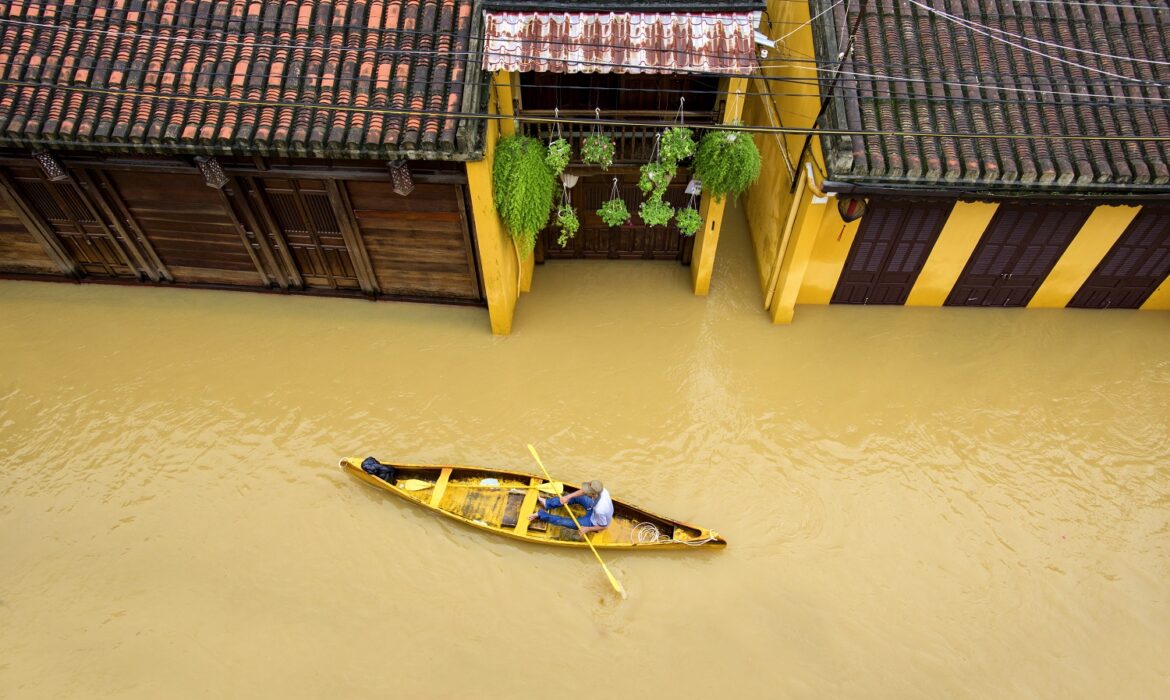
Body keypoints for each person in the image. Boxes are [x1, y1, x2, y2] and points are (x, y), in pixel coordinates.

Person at [528, 480, 613, 533]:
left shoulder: (600, 509)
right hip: (592, 507)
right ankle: (547, 503)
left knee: (564, 521)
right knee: (574, 497)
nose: (584, 491)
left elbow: (604, 526)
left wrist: (588, 529)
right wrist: (567, 497)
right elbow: (583, 491)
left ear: (592, 494)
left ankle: (541, 514)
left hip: (593, 522)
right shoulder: (602, 490)